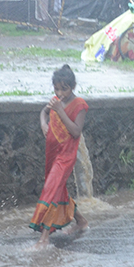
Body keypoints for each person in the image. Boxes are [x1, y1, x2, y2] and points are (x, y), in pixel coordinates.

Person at [30, 64, 89, 247]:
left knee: (51, 189)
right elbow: (44, 112)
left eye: (64, 89)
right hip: (53, 153)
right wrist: (43, 124)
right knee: (58, 190)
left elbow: (76, 131)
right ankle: (81, 222)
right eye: (56, 89)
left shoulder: (79, 105)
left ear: (73, 87)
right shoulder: (55, 100)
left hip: (66, 156)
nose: (60, 93)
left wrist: (60, 110)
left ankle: (44, 236)